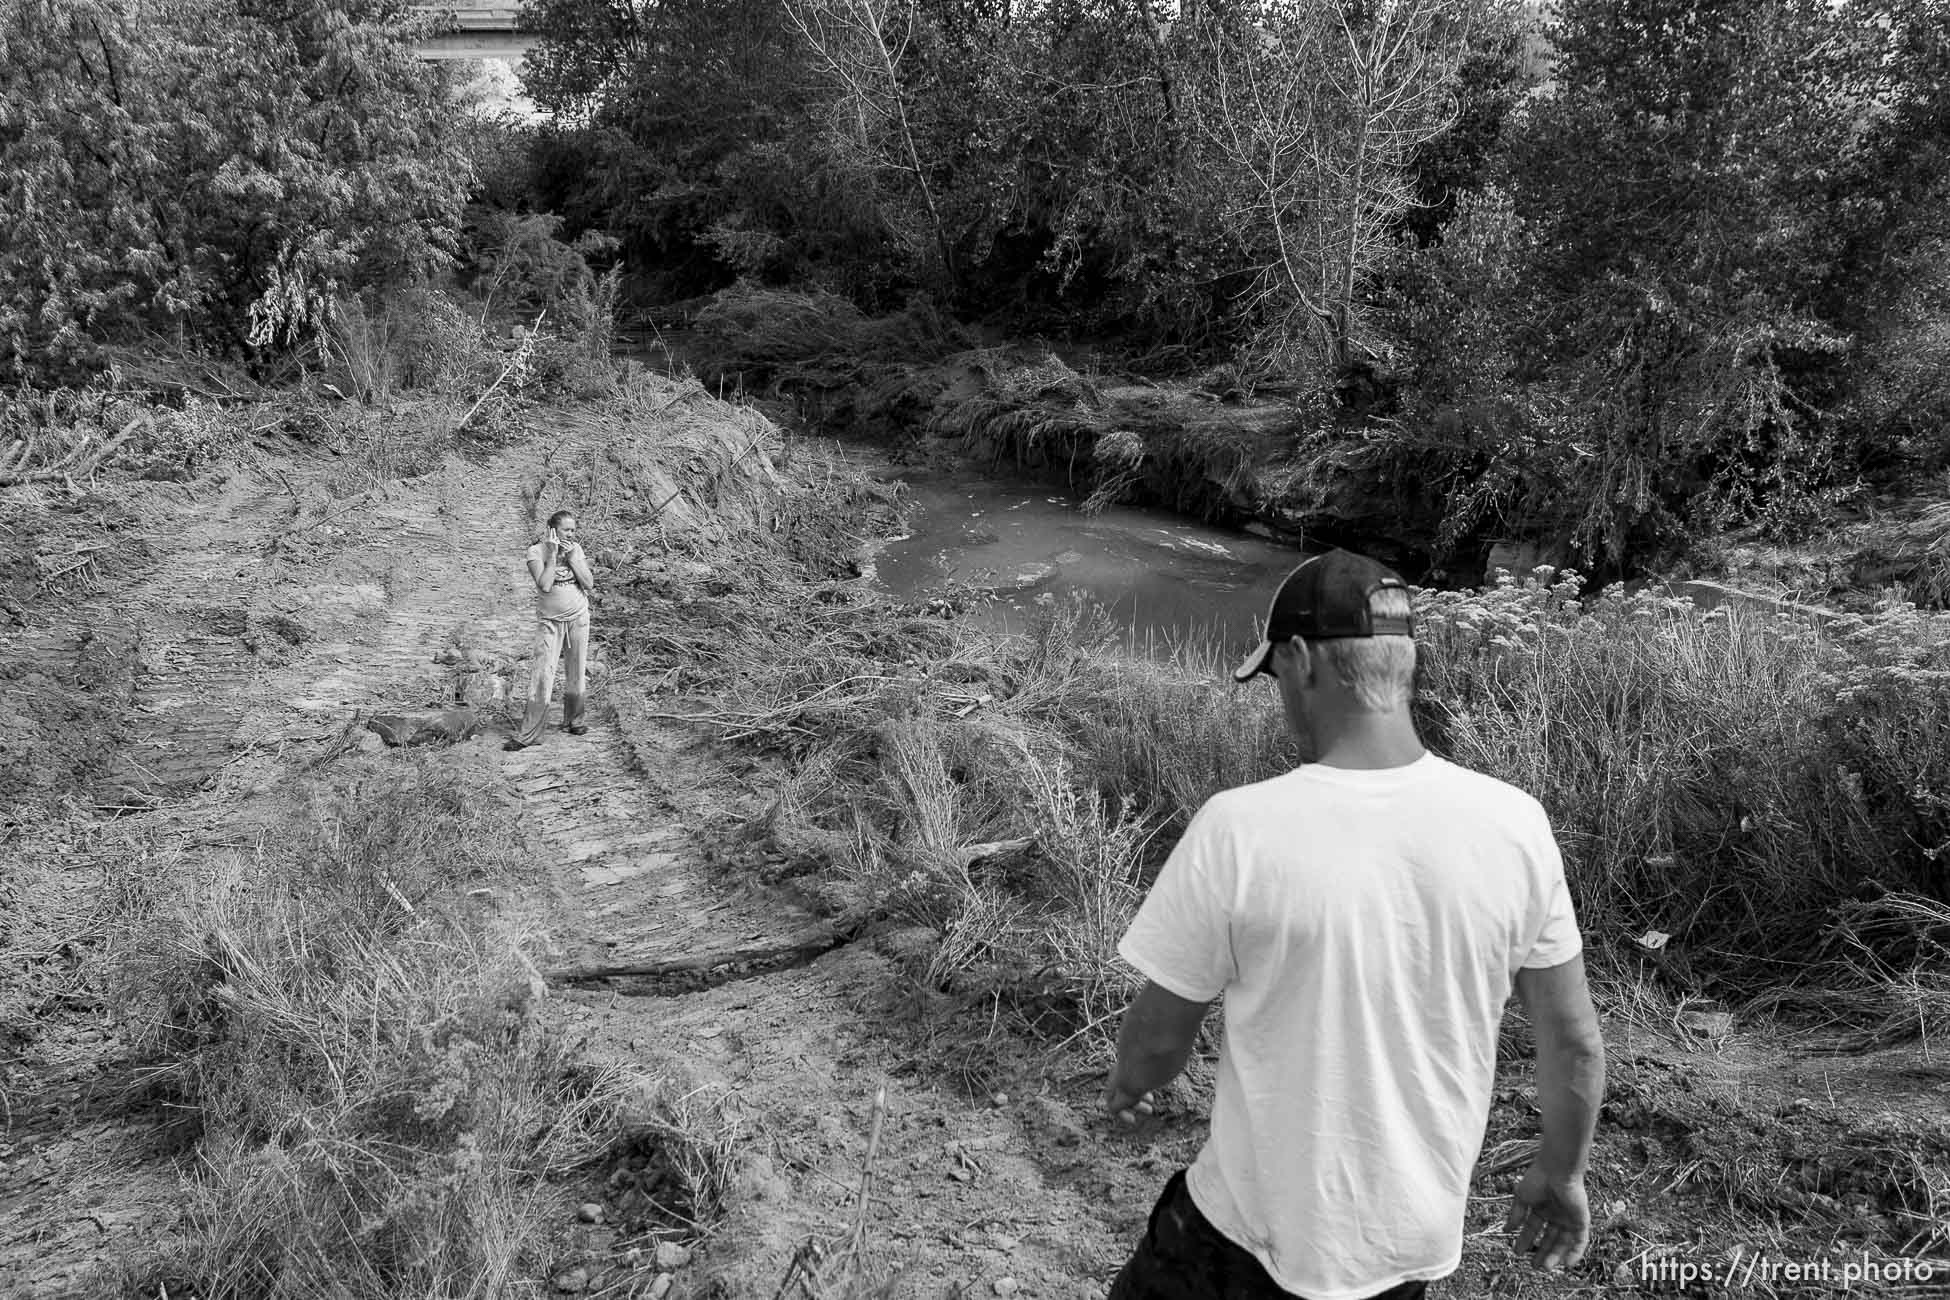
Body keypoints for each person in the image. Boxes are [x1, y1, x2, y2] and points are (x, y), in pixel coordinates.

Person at [1102, 549, 1605, 1299]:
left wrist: (1130, 1082)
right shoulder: (1515, 825)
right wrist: (1561, 1173)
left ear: (1302, 660)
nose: (1280, 701)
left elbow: (1159, 1037)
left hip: (1244, 1242)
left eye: (1274, 678)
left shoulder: (1240, 829)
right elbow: (1574, 1043)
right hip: (1409, 1250)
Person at [505, 509, 596, 751]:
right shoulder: (536, 552)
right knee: (543, 674)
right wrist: (554, 555)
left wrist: (573, 557)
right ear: (553, 531)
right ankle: (531, 732)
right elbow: (544, 585)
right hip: (550, 621)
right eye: (567, 530)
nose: (571, 534)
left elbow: (588, 583)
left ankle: (574, 721)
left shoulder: (576, 549)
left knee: (576, 670)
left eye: (573, 530)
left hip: (578, 618)